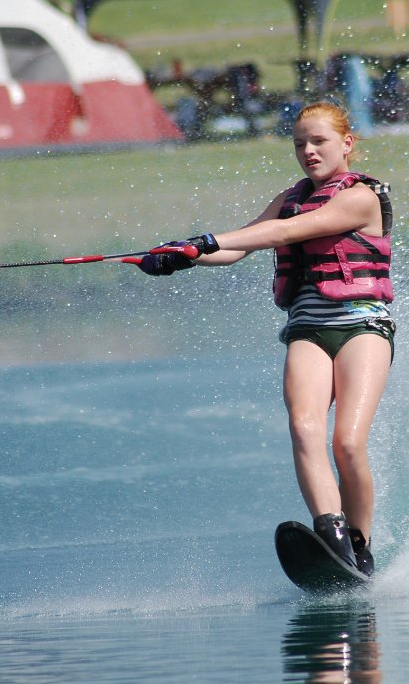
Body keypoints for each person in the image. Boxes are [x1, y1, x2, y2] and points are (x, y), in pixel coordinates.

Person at [136, 101, 395, 577]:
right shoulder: (291, 197)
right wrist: (181, 256)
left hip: (362, 326)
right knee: (304, 427)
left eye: (318, 141)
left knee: (348, 443)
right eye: (299, 144)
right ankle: (332, 532)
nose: (308, 151)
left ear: (346, 144)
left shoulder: (361, 198)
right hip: (308, 328)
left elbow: (288, 231)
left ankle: (360, 546)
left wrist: (208, 240)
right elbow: (240, 246)